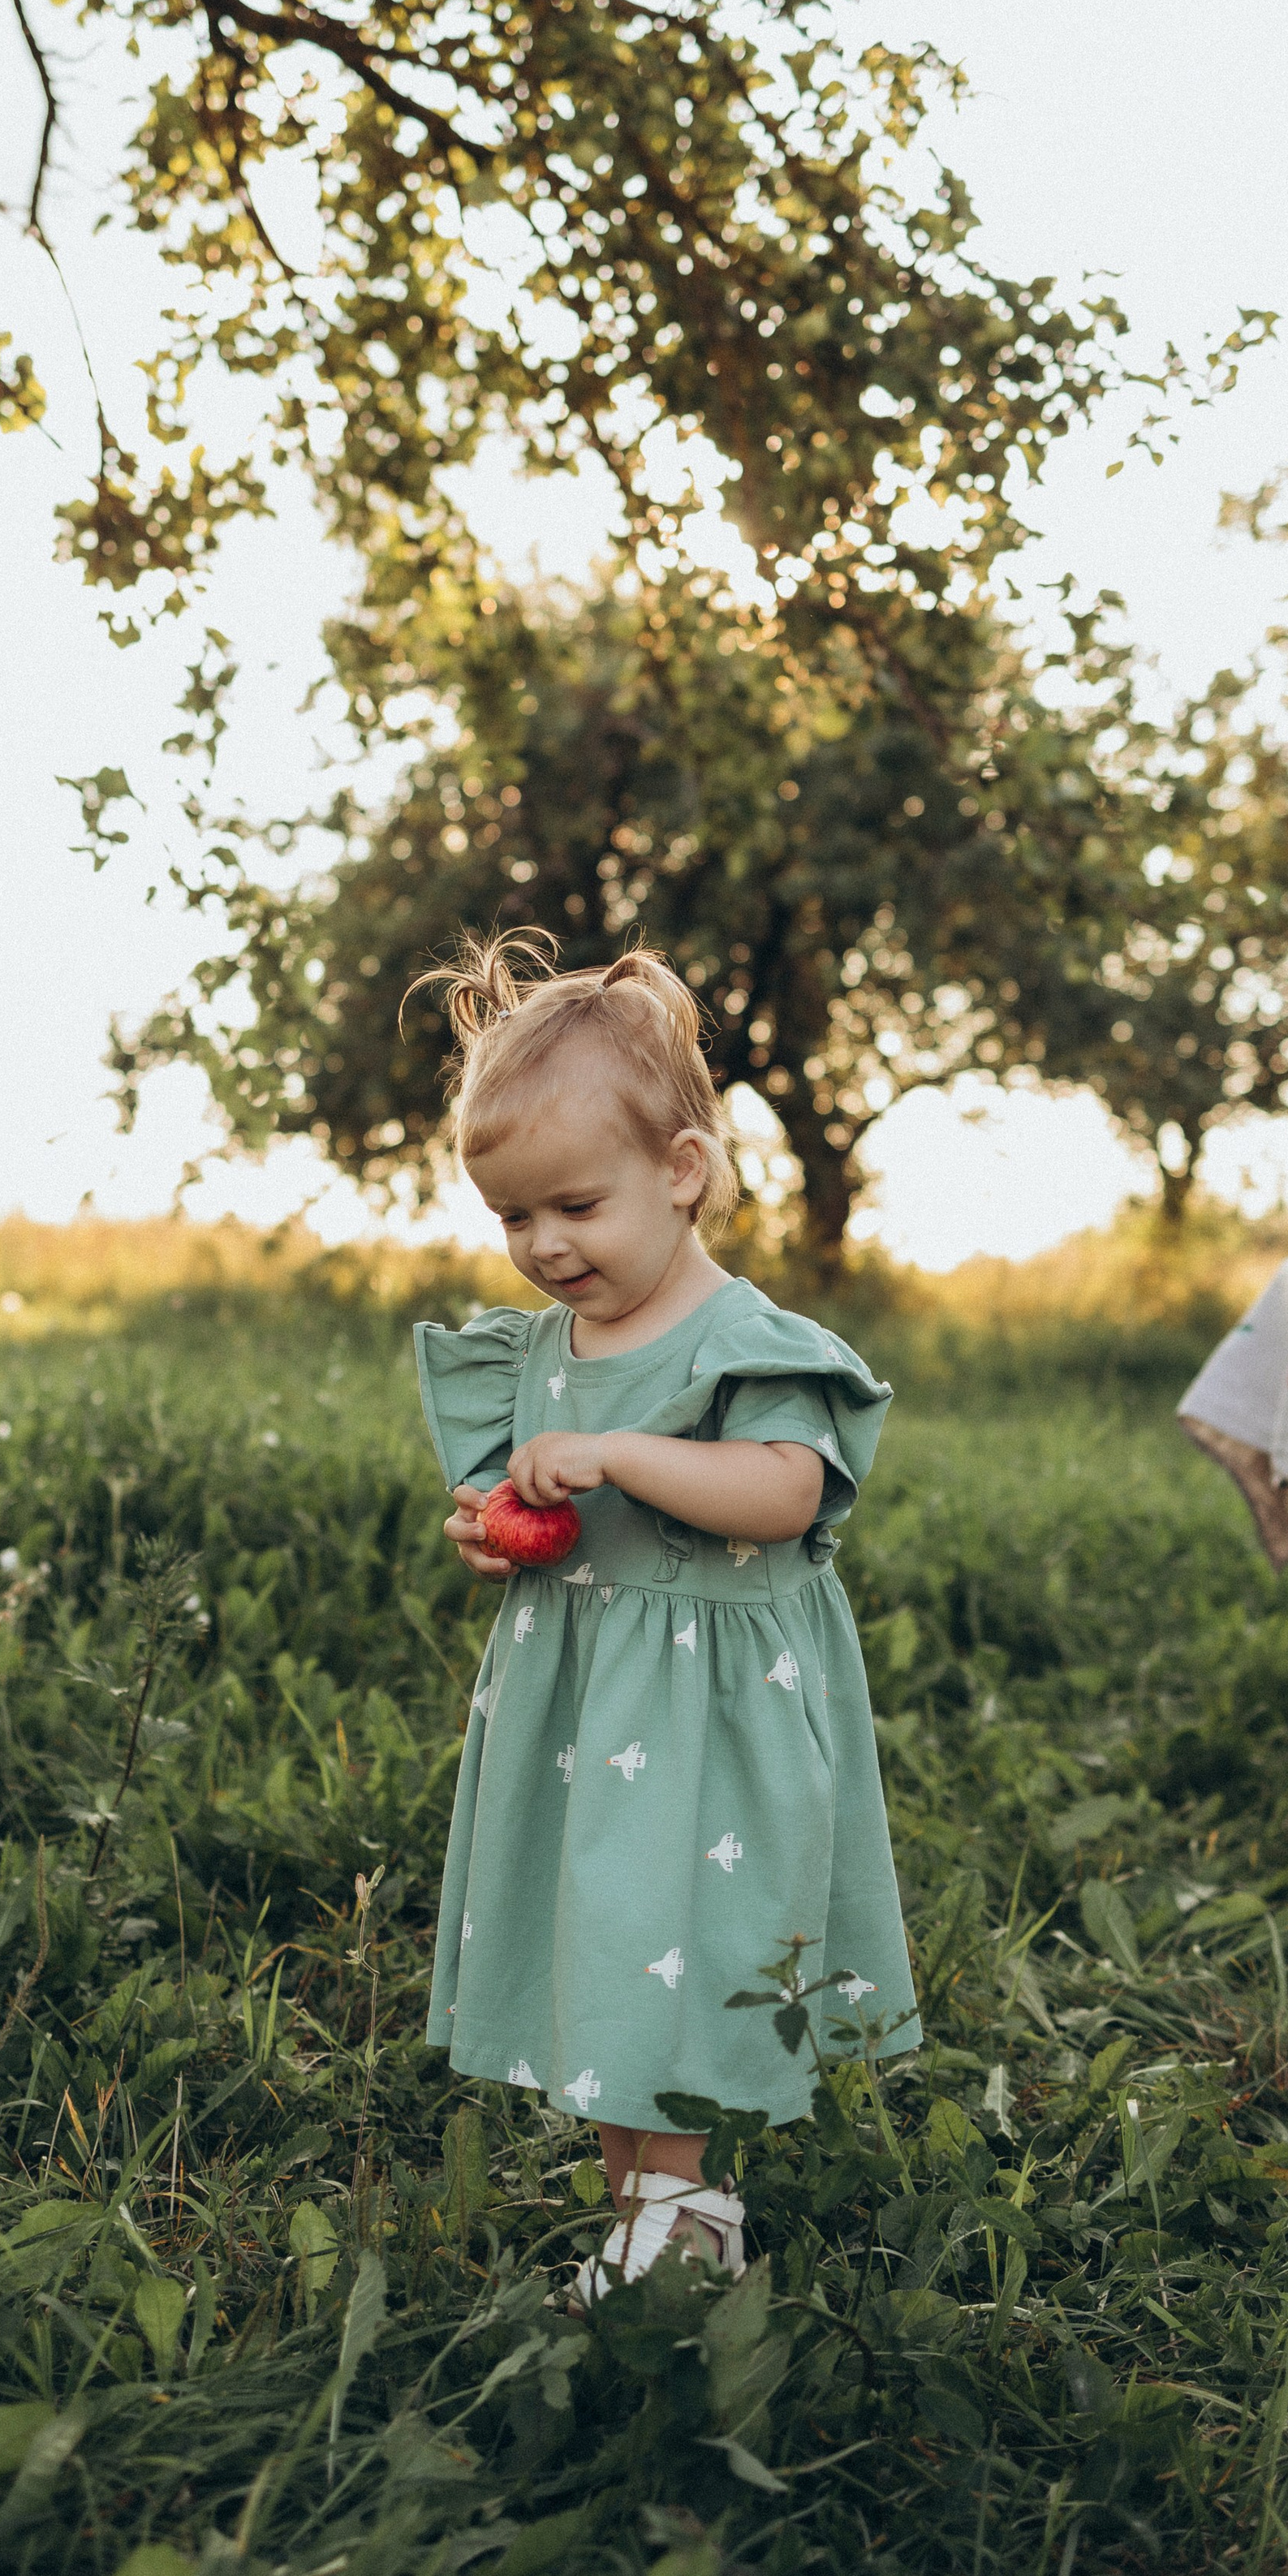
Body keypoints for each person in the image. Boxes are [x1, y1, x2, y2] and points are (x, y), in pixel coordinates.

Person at [410, 932, 920, 2307]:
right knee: (600, 1938)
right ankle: (648, 2204)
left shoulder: (747, 1343)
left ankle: (681, 2216)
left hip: (711, 1722)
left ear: (681, 1172)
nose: (542, 1246)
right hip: (583, 1707)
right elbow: (530, 1514)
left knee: (674, 1931)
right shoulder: (542, 1353)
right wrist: (495, 1539)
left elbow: (787, 1491)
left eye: (573, 1205)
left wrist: (625, 1457)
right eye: (513, 1217)